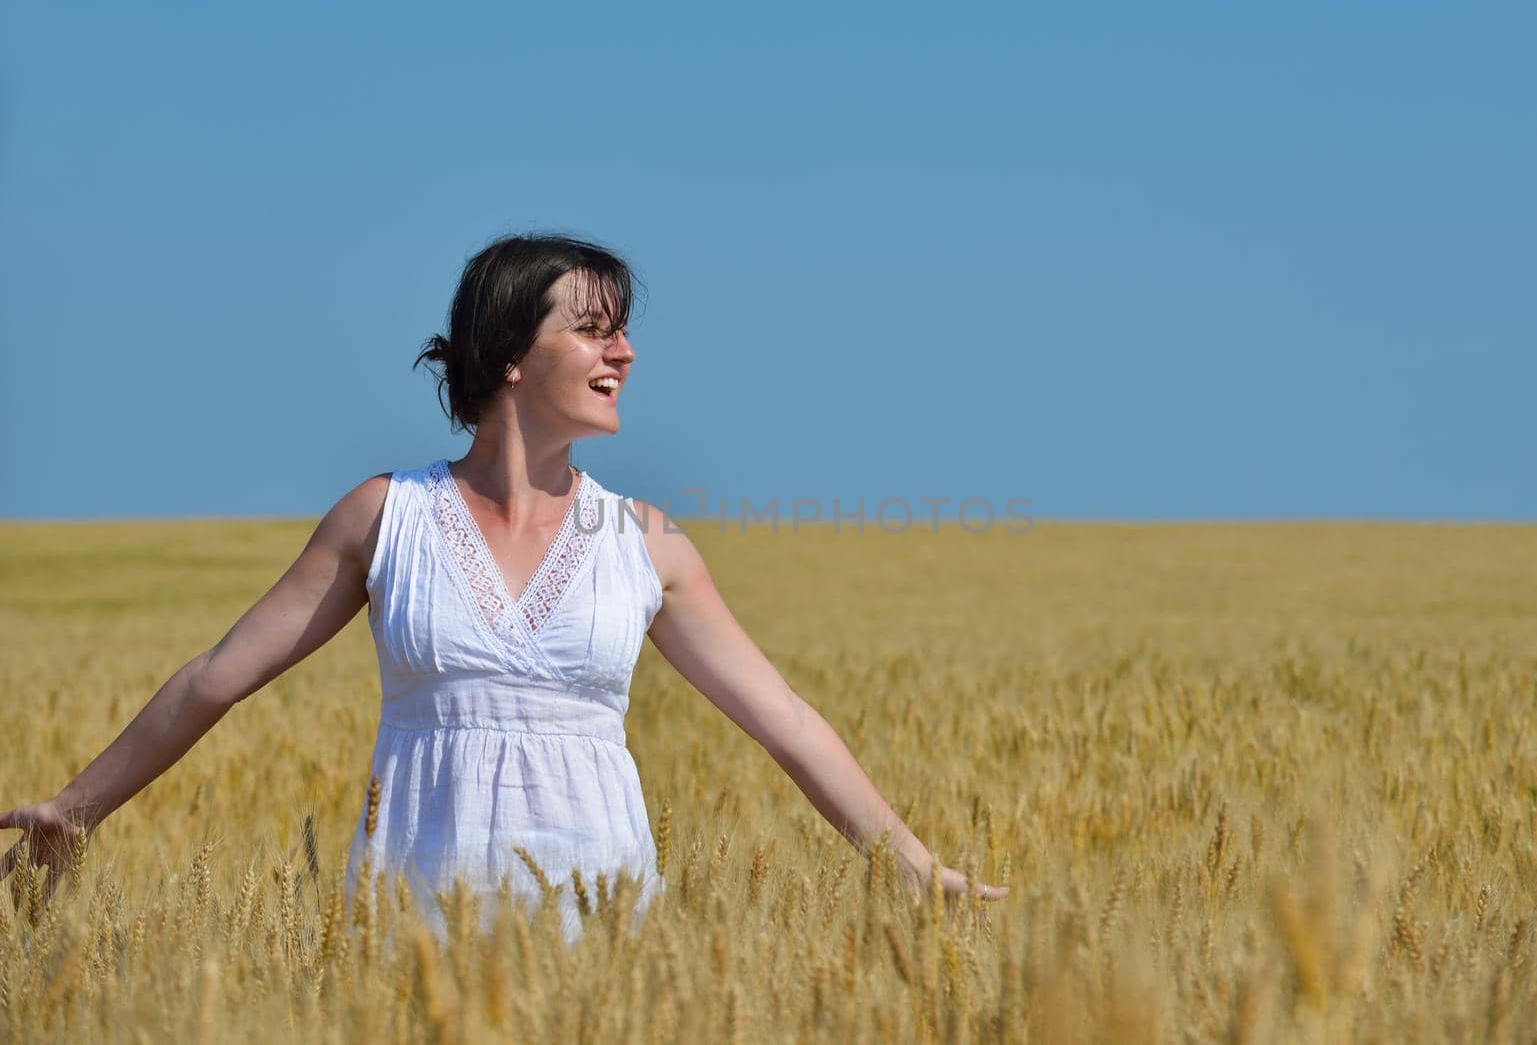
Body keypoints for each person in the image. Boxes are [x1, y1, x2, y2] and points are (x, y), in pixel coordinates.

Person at [0, 232, 1009, 942]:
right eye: (593, 329)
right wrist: (76, 809)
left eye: (622, 330)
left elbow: (787, 721)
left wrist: (913, 866)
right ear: (510, 355)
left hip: (599, 924)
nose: (625, 350)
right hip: (413, 917)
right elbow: (216, 678)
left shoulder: (648, 547)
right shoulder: (383, 517)